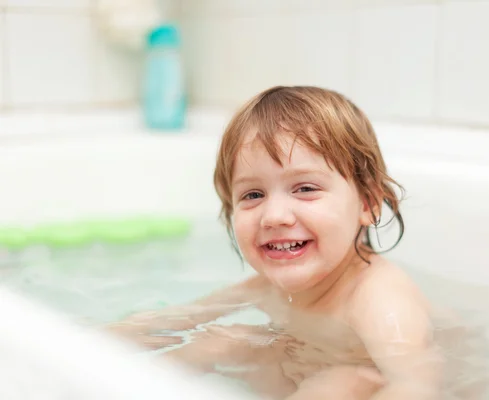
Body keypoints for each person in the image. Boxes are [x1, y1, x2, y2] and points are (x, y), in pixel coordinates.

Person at [106, 86, 447, 399]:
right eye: (253, 194)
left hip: (361, 383)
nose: (274, 216)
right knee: (219, 341)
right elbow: (179, 318)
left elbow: (417, 384)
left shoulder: (379, 300)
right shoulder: (265, 287)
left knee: (342, 381)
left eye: (305, 188)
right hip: (303, 364)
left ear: (368, 204)